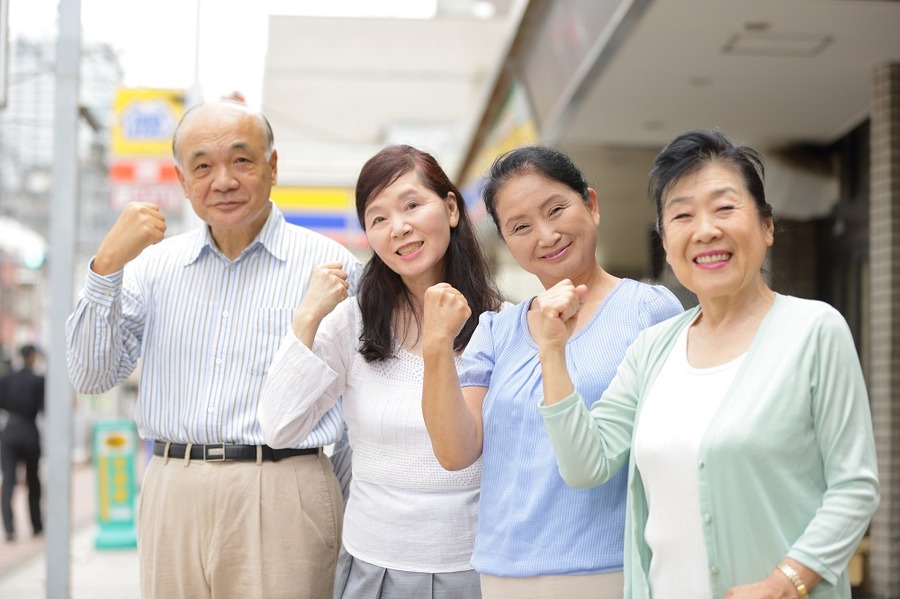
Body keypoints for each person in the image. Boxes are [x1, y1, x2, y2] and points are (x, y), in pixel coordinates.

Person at [537, 129, 880, 598]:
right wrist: (552, 352)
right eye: (682, 215)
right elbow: (586, 465)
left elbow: (854, 487)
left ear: (767, 225)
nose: (705, 230)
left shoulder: (814, 330)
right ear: (666, 241)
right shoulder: (652, 349)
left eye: (724, 208)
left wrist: (787, 583)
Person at [66, 100, 362, 598]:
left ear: (272, 167)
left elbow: (359, 405)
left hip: (286, 487)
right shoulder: (151, 267)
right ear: (183, 181)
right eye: (202, 165)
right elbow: (90, 376)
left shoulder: (330, 265)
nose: (222, 180)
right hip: (173, 487)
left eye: (241, 160)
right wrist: (107, 265)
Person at [422, 146, 683, 598]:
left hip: (611, 567)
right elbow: (455, 452)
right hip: (503, 570)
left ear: (592, 205)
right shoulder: (496, 330)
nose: (546, 235)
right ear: (507, 243)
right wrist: (435, 348)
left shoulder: (649, 309)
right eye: (520, 227)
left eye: (556, 209)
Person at [259, 145, 503, 598]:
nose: (400, 227)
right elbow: (278, 426)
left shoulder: (501, 324)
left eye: (412, 205)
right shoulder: (352, 322)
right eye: (379, 218)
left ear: (451, 208)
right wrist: (307, 318)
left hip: (476, 569)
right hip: (374, 570)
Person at [0, 344, 45, 542]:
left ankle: (9, 529)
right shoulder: (39, 381)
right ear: (33, 357)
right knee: (33, 481)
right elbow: (44, 409)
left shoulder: (7, 379)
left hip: (9, 432)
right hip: (29, 432)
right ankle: (36, 526)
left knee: (9, 481)